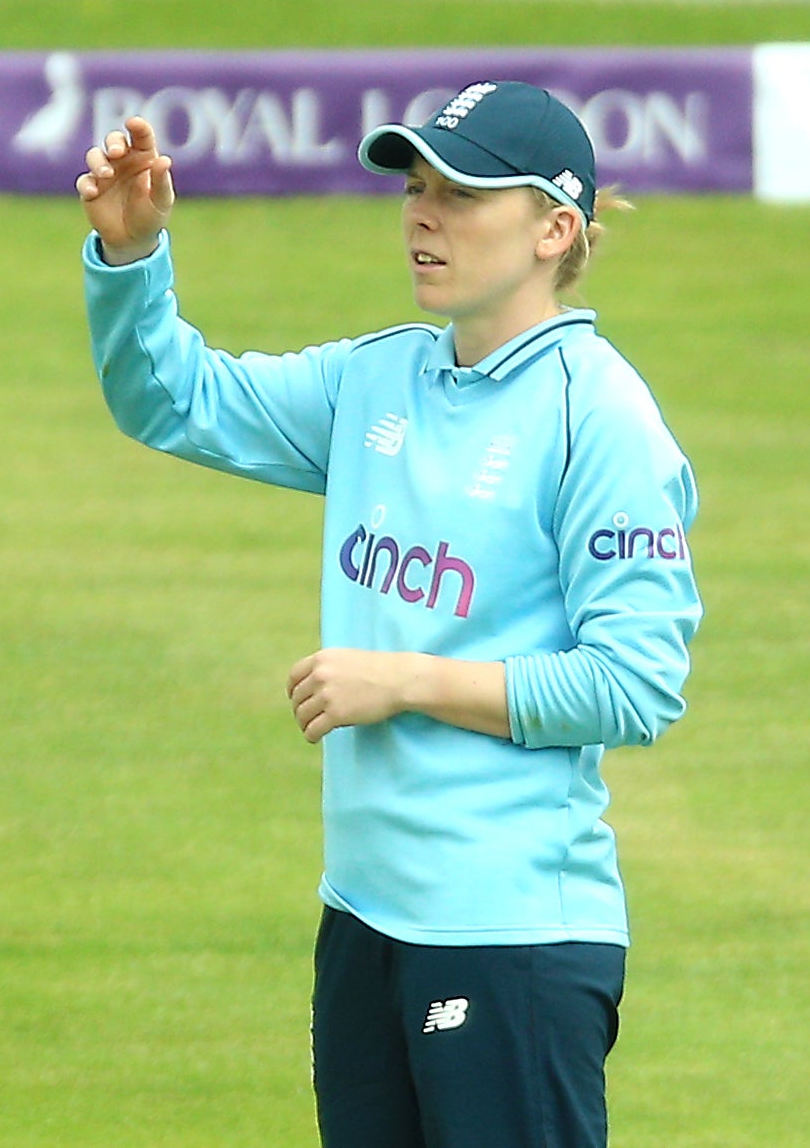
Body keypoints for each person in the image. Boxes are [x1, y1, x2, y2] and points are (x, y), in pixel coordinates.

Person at [76, 81, 701, 1148]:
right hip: (363, 918)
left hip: (511, 936)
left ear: (555, 228)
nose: (420, 214)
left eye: (459, 193)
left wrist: (404, 679)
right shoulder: (379, 379)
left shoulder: (597, 415)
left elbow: (634, 681)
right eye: (415, 187)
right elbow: (172, 400)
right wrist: (133, 262)